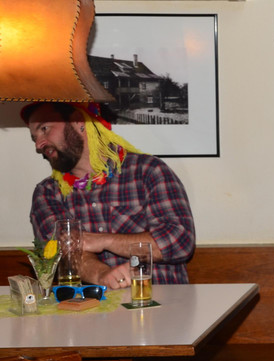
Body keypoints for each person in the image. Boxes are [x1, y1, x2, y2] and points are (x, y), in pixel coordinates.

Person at [23, 102, 195, 288]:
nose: (39, 145)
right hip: (92, 304)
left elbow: (180, 241)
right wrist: (103, 275)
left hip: (162, 299)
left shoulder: (148, 171)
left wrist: (104, 240)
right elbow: (62, 253)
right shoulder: (47, 192)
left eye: (45, 129)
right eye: (34, 138)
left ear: (78, 122)